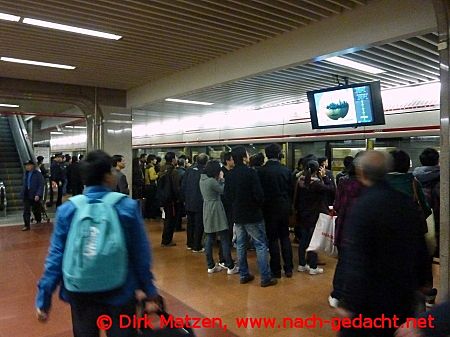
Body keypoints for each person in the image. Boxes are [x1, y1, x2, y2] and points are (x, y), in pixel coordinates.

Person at [35, 150, 159, 337]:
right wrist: (149, 290)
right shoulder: (126, 207)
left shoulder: (68, 209)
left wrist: (44, 297)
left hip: (80, 291)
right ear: (108, 176)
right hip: (121, 290)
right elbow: (140, 254)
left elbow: (56, 255)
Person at [338, 151, 429, 337]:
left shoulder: (362, 206)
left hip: (371, 300)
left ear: (361, 172)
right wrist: (423, 280)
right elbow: (420, 245)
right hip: (403, 294)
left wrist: (349, 302)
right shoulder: (405, 202)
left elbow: (357, 260)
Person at [386, 150, 435, 308]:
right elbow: (426, 209)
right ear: (407, 165)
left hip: (386, 239)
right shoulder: (413, 182)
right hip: (412, 236)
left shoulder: (379, 183)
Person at [225, 146, 277, 287]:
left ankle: (244, 274)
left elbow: (227, 196)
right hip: (252, 215)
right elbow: (259, 194)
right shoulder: (251, 173)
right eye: (247, 154)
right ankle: (265, 277)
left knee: (240, 245)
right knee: (260, 244)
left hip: (237, 215)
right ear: (243, 157)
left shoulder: (229, 174)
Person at [329, 155, 364, 308]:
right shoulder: (370, 186)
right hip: (361, 231)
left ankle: (337, 294)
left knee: (343, 262)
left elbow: (337, 205)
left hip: (343, 228)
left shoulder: (343, 182)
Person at [258, 143, 294, 278]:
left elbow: (259, 192)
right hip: (284, 207)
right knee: (285, 237)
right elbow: (291, 190)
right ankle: (289, 268)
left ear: (267, 155)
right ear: (279, 154)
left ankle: (276, 270)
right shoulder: (286, 170)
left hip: (268, 209)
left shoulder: (261, 171)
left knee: (272, 239)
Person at [199, 160, 239, 275]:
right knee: (224, 237)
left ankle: (210, 265)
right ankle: (230, 266)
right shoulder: (212, 181)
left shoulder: (202, 179)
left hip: (206, 208)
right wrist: (222, 179)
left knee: (209, 237)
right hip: (216, 208)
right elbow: (223, 190)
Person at [294, 160, 332, 275]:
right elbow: (331, 190)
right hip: (314, 216)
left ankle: (301, 264)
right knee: (313, 241)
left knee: (303, 241)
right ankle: (313, 266)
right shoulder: (316, 184)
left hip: (302, 215)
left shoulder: (300, 181)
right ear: (317, 170)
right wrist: (325, 177)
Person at [413, 148, 440, 257]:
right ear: (437, 160)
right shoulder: (444, 176)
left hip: (422, 220)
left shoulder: (414, 177)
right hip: (439, 218)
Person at [182, 153, 208, 252]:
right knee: (199, 224)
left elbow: (183, 185)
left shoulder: (189, 170)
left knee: (190, 224)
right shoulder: (204, 172)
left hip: (189, 201)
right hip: (200, 202)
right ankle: (197, 246)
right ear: (206, 162)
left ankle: (189, 243)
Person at [158, 152, 181, 247]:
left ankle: (165, 239)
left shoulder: (162, 169)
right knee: (170, 220)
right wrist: (179, 198)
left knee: (167, 218)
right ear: (172, 160)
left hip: (163, 197)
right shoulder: (174, 171)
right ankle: (167, 240)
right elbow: (176, 187)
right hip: (171, 199)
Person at [21, 160, 44, 231]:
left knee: (36, 209)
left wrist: (38, 194)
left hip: (35, 194)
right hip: (26, 194)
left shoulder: (37, 174)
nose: (27, 167)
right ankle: (26, 225)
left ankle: (38, 220)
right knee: (26, 210)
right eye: (26, 165)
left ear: (32, 166)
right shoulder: (26, 174)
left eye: (28, 165)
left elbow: (41, 185)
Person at [144, 154, 158, 218]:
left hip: (147, 185)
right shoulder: (151, 167)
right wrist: (158, 175)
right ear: (151, 160)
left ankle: (147, 214)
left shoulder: (147, 167)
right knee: (152, 201)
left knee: (148, 201)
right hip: (151, 186)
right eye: (155, 159)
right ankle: (152, 215)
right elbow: (152, 177)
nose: (156, 160)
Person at [175, 158, 186, 231]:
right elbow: (184, 185)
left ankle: (176, 225)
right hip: (180, 194)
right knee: (179, 211)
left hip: (174, 193)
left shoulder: (175, 172)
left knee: (176, 211)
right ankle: (178, 226)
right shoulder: (184, 173)